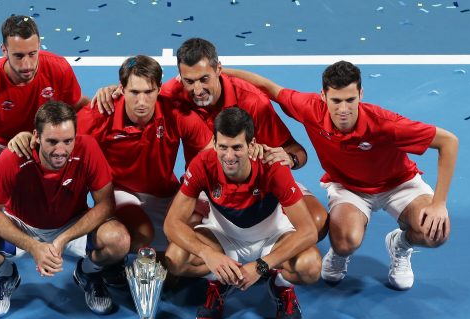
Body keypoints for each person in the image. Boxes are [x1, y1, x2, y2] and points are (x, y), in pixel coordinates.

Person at [223, 61, 458, 289]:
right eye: (336, 101)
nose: (343, 109)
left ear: (361, 94)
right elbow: (269, 88)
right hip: (349, 188)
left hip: (398, 184)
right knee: (346, 242)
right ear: (323, 96)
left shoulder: (386, 124)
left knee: (435, 233)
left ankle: (400, 244)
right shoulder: (309, 108)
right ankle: (339, 254)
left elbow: (448, 141)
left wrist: (439, 203)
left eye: (350, 100)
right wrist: (219, 72)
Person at [91, 39, 328, 241]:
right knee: (183, 245)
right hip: (208, 186)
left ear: (219, 70)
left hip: (262, 183)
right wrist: (116, 90)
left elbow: (299, 152)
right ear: (180, 78)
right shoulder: (173, 94)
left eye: (204, 79)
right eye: (189, 81)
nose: (197, 89)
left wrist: (289, 158)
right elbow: (141, 91)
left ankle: (268, 267)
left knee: (316, 221)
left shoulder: (253, 102)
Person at [8, 55, 214, 286]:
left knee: (197, 236)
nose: (142, 101)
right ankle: (108, 266)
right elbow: (57, 137)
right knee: (142, 234)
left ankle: (160, 267)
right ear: (121, 89)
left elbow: (211, 154)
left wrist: (197, 194)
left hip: (164, 191)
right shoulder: (100, 114)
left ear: (159, 88)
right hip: (120, 191)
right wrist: (28, 136)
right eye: (134, 92)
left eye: (149, 91)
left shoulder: (174, 112)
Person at [0, 101, 130, 319]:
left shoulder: (87, 149)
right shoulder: (13, 157)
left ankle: (88, 273)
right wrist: (33, 246)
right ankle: (5, 275)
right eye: (52, 141)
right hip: (21, 226)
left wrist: (62, 240)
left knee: (119, 240)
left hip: (71, 224)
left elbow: (106, 204)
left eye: (68, 141)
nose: (61, 150)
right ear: (36, 137)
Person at [164, 107, 321, 319]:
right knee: (175, 259)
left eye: (237, 147)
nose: (229, 156)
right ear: (214, 143)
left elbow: (308, 231)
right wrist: (208, 255)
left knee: (311, 266)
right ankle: (218, 278)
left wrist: (261, 267)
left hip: (272, 239)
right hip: (223, 239)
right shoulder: (203, 163)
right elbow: (172, 224)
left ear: (251, 144)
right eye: (223, 147)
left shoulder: (272, 166)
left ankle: (280, 284)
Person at [0, 15, 89, 229]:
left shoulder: (59, 68)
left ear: (39, 45)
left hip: (39, 141)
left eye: (32, 53)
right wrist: (5, 174)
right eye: (18, 56)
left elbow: (78, 107)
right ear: (4, 50)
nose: (27, 64)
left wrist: (107, 103)